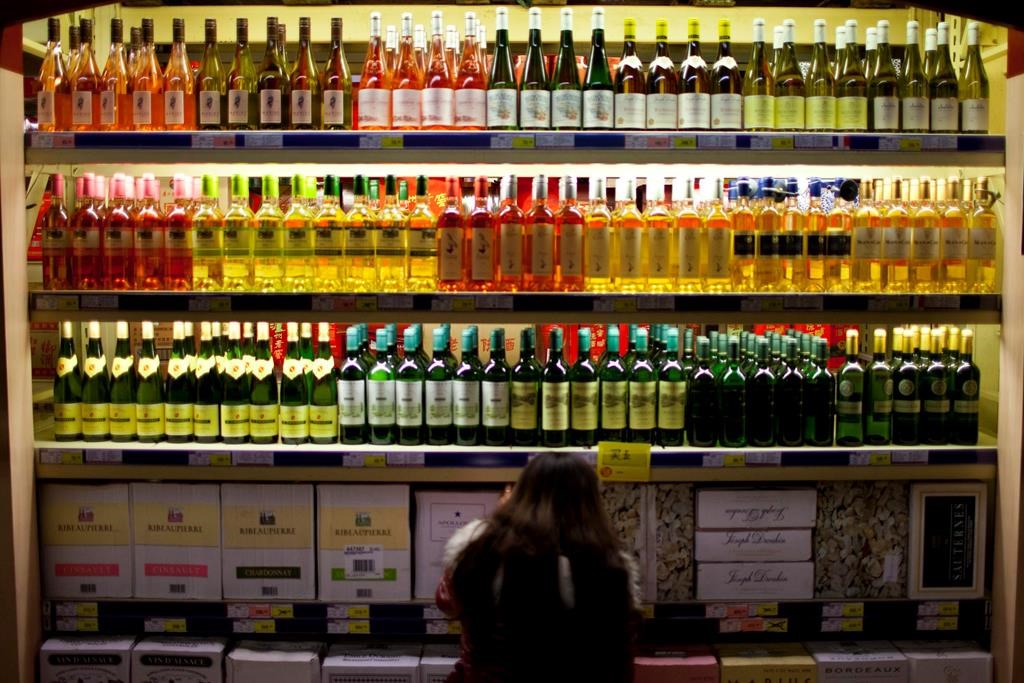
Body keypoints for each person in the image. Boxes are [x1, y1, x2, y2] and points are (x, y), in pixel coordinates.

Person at [436, 452, 641, 683]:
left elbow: (448, 603)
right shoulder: (608, 565)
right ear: (591, 502)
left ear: (522, 492)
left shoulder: (480, 550)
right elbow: (619, 660)